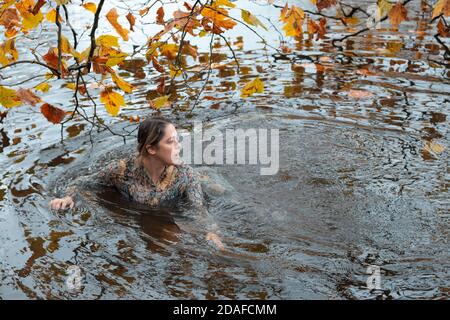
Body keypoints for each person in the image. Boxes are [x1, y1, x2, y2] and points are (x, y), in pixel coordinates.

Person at [49, 117, 225, 251]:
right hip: (141, 207)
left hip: (172, 206)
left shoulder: (185, 175)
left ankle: (208, 179)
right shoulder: (121, 171)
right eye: (170, 142)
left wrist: (210, 231)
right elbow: (83, 182)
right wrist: (67, 197)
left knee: (220, 190)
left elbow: (198, 208)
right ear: (151, 149)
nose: (179, 146)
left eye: (177, 140)